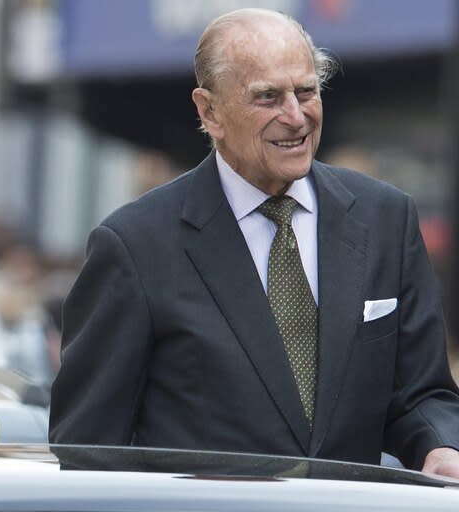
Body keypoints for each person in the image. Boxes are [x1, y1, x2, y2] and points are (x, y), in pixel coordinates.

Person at [49, 8, 459, 478]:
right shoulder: (134, 246)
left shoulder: (386, 219)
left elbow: (422, 393)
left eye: (306, 91)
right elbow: (90, 449)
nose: (295, 116)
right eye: (268, 97)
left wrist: (441, 446)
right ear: (210, 111)